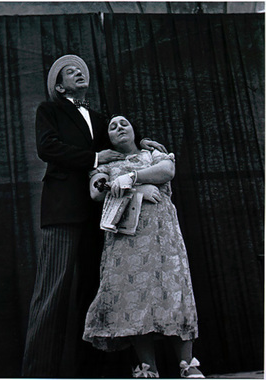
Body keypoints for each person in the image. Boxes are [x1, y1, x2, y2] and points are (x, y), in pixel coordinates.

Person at [22, 55, 166, 378]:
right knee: (52, 292)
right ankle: (37, 373)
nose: (78, 73)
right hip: (63, 211)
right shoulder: (50, 111)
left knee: (96, 292)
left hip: (101, 214)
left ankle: (93, 372)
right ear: (59, 86)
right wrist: (94, 157)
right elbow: (47, 148)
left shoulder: (99, 118)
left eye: (81, 70)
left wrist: (140, 142)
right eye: (69, 72)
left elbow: (118, 140)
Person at [83, 115, 205, 379]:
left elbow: (167, 171)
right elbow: (97, 191)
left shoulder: (153, 153)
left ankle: (188, 364)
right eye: (112, 127)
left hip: (163, 239)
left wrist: (133, 176)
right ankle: (148, 368)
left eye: (123, 123)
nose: (119, 128)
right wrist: (137, 191)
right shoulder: (107, 164)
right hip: (127, 243)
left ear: (134, 130)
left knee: (173, 292)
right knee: (133, 298)